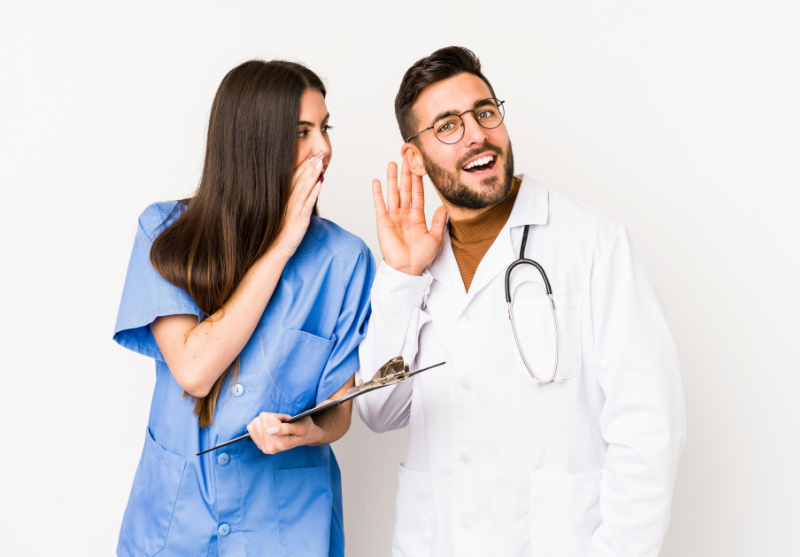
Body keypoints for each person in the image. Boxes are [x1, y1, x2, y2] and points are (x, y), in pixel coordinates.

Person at [357, 46, 686, 556]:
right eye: (447, 126)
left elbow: (648, 428)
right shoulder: (415, 266)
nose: (476, 134)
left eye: (484, 112)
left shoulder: (594, 244)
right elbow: (379, 410)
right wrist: (402, 277)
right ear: (414, 158)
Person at [113, 59, 374, 557]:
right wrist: (279, 249)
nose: (324, 149)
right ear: (254, 142)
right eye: (302, 132)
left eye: (324, 128)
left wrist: (306, 430)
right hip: (176, 524)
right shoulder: (165, 233)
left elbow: (340, 414)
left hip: (287, 528)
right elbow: (194, 370)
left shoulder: (345, 260)